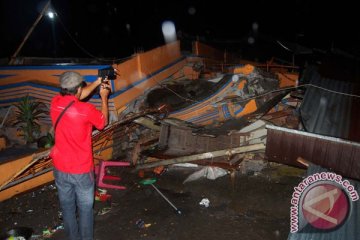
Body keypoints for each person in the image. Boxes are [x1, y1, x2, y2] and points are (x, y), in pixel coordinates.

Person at [50, 71, 110, 240]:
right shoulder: (86, 109)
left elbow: (77, 94)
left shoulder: (55, 103)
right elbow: (102, 123)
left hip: (60, 167)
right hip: (81, 169)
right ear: (78, 89)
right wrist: (104, 97)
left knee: (67, 208)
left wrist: (98, 81)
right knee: (85, 210)